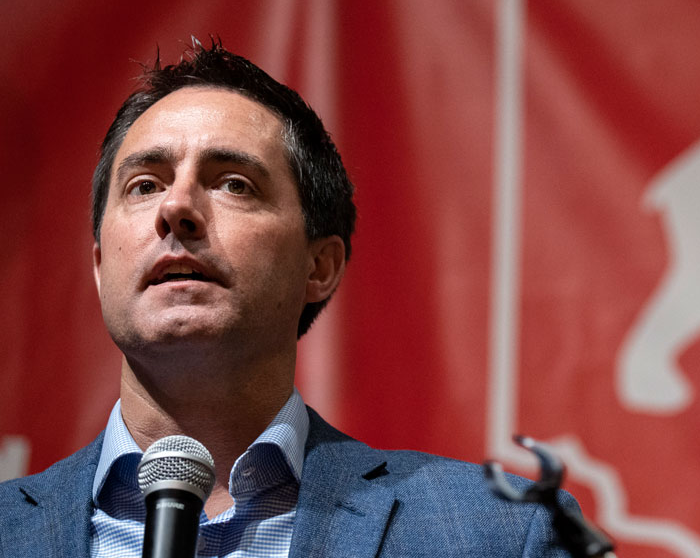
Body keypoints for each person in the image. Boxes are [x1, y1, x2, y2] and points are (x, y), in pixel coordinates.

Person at [0, 42, 574, 557]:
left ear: (319, 267)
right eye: (145, 184)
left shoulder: (501, 535)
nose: (175, 208)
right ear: (101, 265)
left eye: (234, 184)